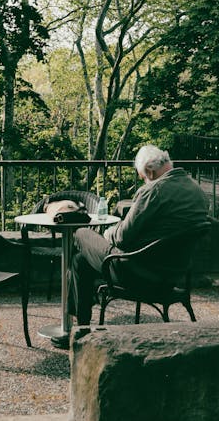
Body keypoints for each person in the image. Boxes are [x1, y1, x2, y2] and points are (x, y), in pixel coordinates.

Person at [62, 144, 208, 341]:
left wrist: (108, 232)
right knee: (80, 261)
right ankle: (81, 329)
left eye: (142, 175)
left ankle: (79, 329)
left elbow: (122, 237)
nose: (143, 180)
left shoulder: (153, 191)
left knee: (81, 234)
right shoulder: (196, 190)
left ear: (149, 171)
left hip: (137, 274)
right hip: (171, 275)